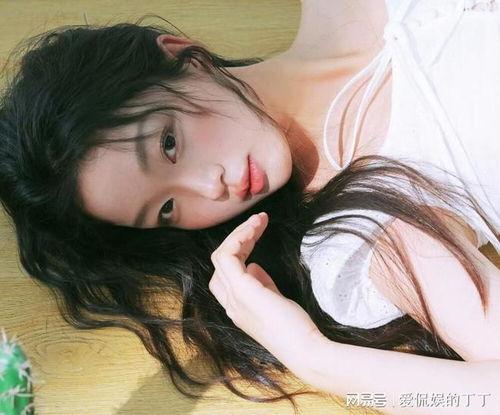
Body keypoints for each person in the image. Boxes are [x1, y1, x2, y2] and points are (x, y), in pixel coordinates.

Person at [0, 1, 499, 413]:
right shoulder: (366, 233)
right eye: (167, 208)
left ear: (184, 56)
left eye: (169, 143)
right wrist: (315, 358)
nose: (210, 187)